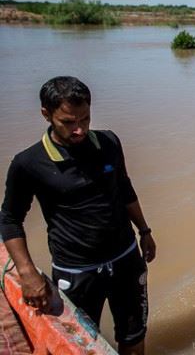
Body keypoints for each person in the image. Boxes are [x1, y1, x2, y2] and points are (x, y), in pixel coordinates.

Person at [0, 76, 156, 355]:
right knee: (81, 345)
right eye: (69, 122)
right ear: (46, 115)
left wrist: (144, 231)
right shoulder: (28, 163)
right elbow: (10, 219)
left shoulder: (108, 142)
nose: (80, 130)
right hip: (77, 272)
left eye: (85, 119)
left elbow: (124, 187)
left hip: (125, 260)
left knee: (134, 337)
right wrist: (27, 272)